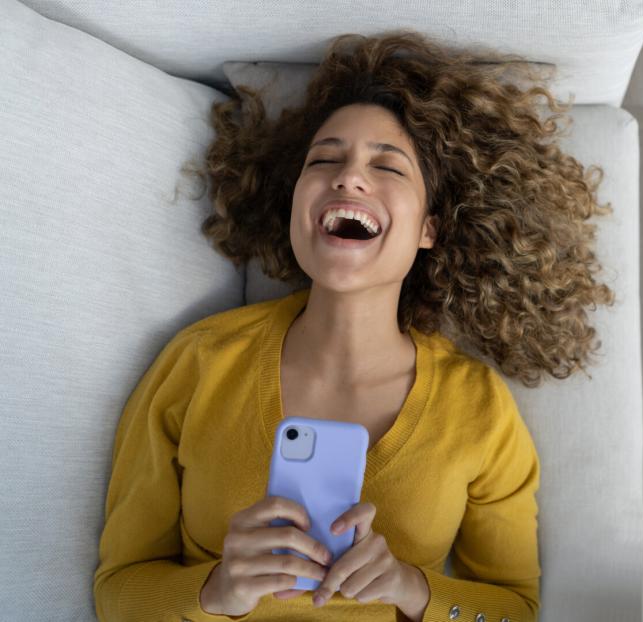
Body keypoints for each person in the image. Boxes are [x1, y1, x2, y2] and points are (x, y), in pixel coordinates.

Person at [93, 29, 615, 622]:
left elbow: (516, 611)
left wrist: (413, 589)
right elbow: (117, 590)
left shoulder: (480, 413)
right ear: (295, 205)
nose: (348, 177)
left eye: (387, 166)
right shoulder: (196, 364)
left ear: (429, 229)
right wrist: (216, 591)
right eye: (325, 159)